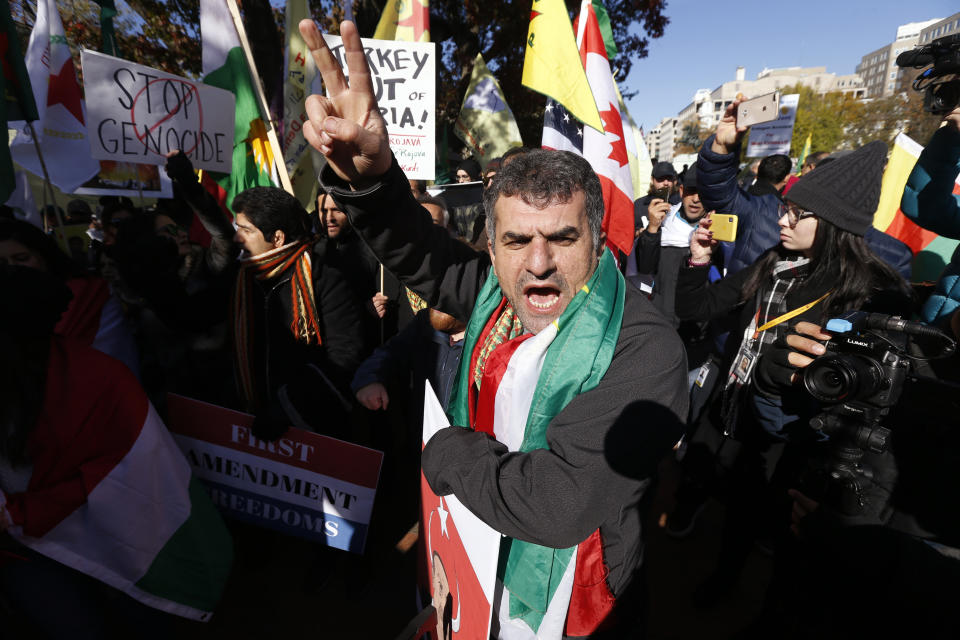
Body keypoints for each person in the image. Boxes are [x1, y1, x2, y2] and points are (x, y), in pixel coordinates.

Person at [299, 19, 687, 637]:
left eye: (562, 238)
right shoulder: (490, 288)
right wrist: (366, 181)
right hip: (477, 557)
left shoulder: (644, 347)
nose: (537, 264)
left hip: (576, 597)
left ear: (597, 238)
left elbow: (560, 503)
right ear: (491, 242)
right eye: (516, 241)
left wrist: (448, 450)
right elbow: (418, 249)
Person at [673, 99, 914, 605]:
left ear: (832, 223)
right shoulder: (774, 264)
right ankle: (720, 579)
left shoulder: (870, 295)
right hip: (741, 417)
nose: (782, 219)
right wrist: (697, 263)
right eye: (785, 207)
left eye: (797, 213)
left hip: (801, 444)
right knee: (734, 507)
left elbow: (870, 394)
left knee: (784, 535)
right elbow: (698, 306)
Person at [0, 266, 232, 638]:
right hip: (23, 546)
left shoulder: (100, 382)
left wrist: (16, 513)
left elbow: (127, 478)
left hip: (113, 536)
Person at [696, 119, 914, 280]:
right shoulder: (766, 214)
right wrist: (721, 148)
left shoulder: (889, 256)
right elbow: (720, 195)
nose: (783, 221)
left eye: (800, 213)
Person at [230, 186, 364, 439]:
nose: (237, 238)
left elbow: (345, 357)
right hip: (248, 424)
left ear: (277, 237)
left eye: (246, 230)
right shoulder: (241, 279)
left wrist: (286, 409)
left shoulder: (324, 278)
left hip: (311, 430)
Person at [0, 218, 139, 376]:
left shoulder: (89, 295)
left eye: (21, 259)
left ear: (43, 257)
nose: (12, 267)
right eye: (1, 263)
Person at [634, 161, 681, 234]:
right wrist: (640, 232)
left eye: (669, 179)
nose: (666, 183)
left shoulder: (681, 204)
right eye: (661, 179)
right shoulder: (639, 204)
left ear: (675, 181)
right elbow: (629, 232)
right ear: (652, 180)